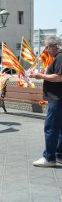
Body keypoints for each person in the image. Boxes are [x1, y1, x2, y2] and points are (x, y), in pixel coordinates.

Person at [30, 36, 62, 167]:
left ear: (55, 46)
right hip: (59, 98)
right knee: (60, 129)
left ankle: (49, 158)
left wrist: (40, 75)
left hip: (57, 98)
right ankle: (59, 155)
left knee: (50, 127)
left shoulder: (60, 57)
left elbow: (59, 77)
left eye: (47, 47)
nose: (46, 49)